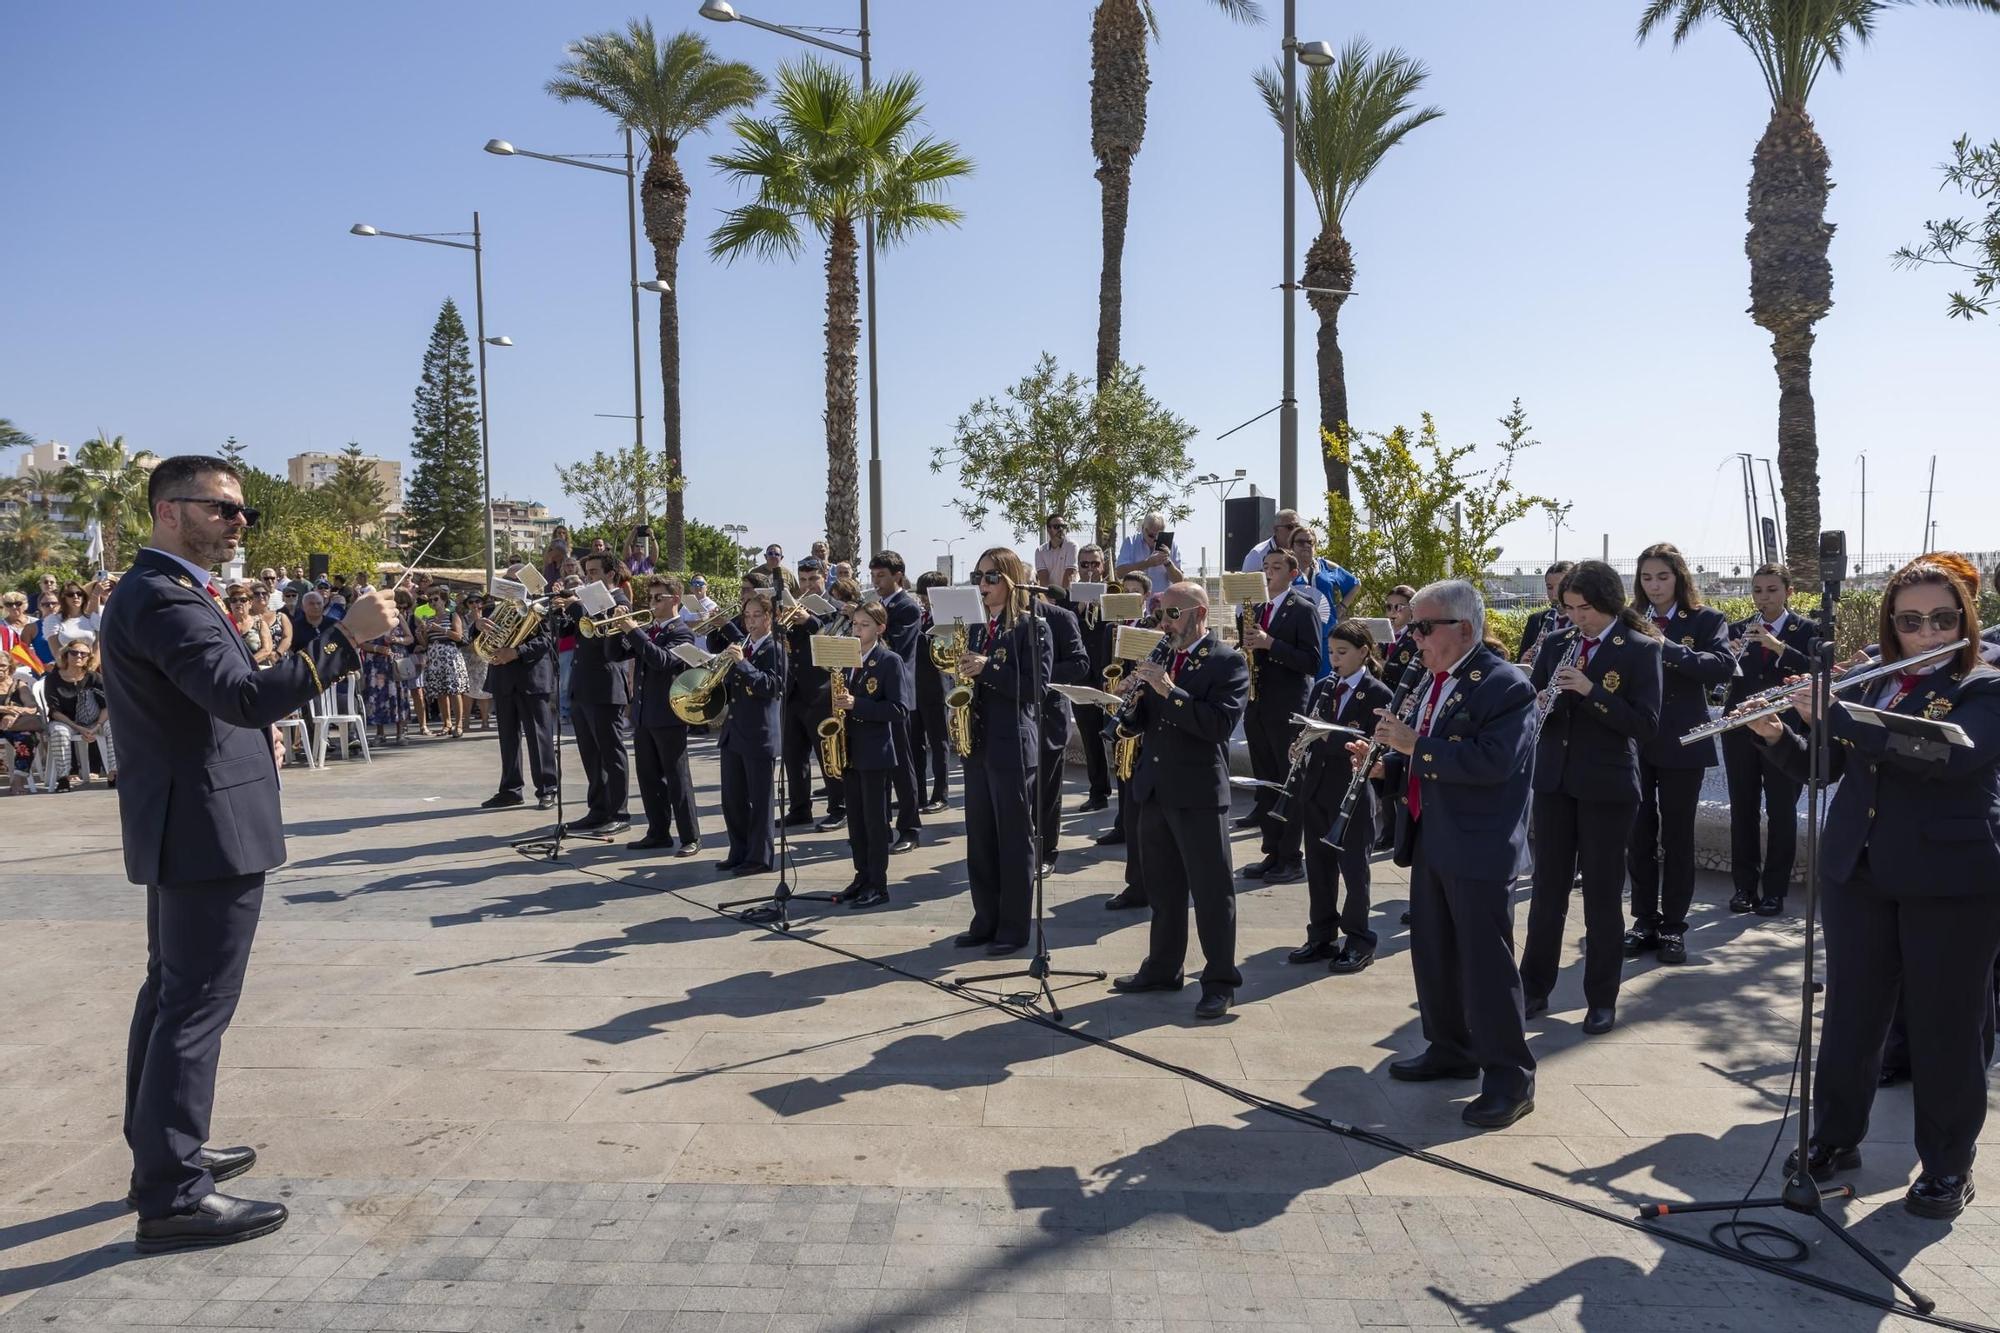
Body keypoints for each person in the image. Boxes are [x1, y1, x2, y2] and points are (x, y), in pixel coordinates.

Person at [103, 454, 399, 1250]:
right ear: (170, 511)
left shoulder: (164, 590)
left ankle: (162, 1154)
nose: (240, 523)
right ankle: (171, 1192)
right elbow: (241, 694)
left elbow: (214, 699)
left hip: (193, 822)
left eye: (244, 512)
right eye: (223, 509)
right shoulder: (164, 597)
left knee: (171, 994)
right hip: (203, 829)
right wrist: (344, 638)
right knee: (193, 1005)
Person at [1746, 559, 1999, 1219]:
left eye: (1942, 619)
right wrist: (1781, 732)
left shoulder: (1982, 684)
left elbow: (1952, 757)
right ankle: (1834, 1136)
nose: (1926, 631)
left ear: (1964, 620)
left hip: (1950, 882)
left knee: (1946, 1024)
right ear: (1892, 623)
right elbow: (1827, 767)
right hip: (1859, 872)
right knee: (1853, 1016)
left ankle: (1948, 1164)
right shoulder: (1874, 681)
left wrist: (1842, 713)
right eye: (1911, 619)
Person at [1367, 579, 1537, 1127]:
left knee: (1486, 965)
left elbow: (1492, 762)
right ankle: (1451, 1046)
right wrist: (1386, 765)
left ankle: (1511, 1077)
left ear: (1463, 628)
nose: (1412, 638)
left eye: (1422, 626)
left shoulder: (1506, 685)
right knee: (1434, 951)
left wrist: (1413, 748)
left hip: (1479, 843)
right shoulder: (1436, 680)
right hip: (1433, 834)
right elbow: (1427, 757)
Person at [1519, 560, 1663, 1036]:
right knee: (1547, 893)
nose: (1577, 618)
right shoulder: (1558, 643)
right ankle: (1533, 988)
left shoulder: (1640, 649)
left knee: (1602, 899)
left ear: (1609, 604)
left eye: (1585, 609)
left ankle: (1601, 999)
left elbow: (1644, 725)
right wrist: (1541, 700)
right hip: (1555, 783)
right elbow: (1537, 698)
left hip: (1607, 788)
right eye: (1570, 608)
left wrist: (1591, 691)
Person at [1109, 581, 1249, 1019]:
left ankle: (1220, 981)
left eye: (1172, 614)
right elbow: (1143, 720)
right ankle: (1163, 967)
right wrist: (1127, 704)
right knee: (1163, 889)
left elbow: (1217, 726)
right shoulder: (1163, 655)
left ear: (1199, 613)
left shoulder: (1228, 662)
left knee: (1211, 892)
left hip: (1198, 792)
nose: (1163, 623)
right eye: (1160, 614)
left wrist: (1170, 690)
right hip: (1154, 787)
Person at [1624, 543, 1732, 965]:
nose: (1654, 586)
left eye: (1663, 577)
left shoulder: (1706, 619)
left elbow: (1720, 666)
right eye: (1647, 578)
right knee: (1639, 834)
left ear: (1680, 578)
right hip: (1636, 741)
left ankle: (1673, 926)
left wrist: (1665, 646)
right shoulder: (1628, 618)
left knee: (1677, 836)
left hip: (1684, 741)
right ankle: (1644, 919)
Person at [955, 548, 1051, 954]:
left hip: (1011, 743)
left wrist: (987, 669)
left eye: (992, 577)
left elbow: (1036, 689)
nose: (983, 584)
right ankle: (986, 919)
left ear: (1011, 579)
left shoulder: (1032, 627)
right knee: (979, 837)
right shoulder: (978, 627)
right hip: (977, 742)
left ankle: (1013, 928)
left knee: (1014, 840)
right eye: (979, 576)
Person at [1290, 620, 1395, 973]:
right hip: (1316, 788)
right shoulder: (1323, 685)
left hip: (1350, 790)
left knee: (1354, 870)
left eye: (1342, 653)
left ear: (1363, 652)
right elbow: (1310, 726)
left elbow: (1371, 742)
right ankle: (1321, 935)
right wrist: (1302, 744)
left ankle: (1359, 940)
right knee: (1318, 868)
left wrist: (1324, 737)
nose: (1334, 660)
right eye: (1332, 652)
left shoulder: (1378, 692)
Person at [1722, 564, 1818, 916]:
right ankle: (1743, 888)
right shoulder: (1736, 629)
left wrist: (1778, 647)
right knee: (1743, 810)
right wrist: (1727, 657)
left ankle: (1774, 891)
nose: (1764, 597)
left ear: (1788, 592)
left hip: (1786, 732)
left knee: (1781, 812)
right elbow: (1720, 677)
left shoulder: (1806, 629)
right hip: (1741, 731)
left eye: (1772, 590)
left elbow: (1819, 670)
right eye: (1758, 590)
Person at [1235, 549, 1324, 884]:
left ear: (1293, 572)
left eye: (1275, 567)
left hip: (1288, 705)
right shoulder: (1256, 609)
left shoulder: (1303, 608)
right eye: (1265, 567)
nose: (1268, 573)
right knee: (1266, 782)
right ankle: (1271, 851)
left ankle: (1291, 857)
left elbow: (1312, 662)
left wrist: (1270, 643)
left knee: (1289, 783)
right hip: (1258, 704)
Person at [832, 601, 907, 908]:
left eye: (864, 625)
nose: (857, 629)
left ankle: (878, 883)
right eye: (855, 624)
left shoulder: (889, 661)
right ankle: (861, 875)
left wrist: (856, 705)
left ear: (880, 628)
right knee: (856, 821)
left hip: (875, 752)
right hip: (848, 749)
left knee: (876, 822)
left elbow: (899, 710)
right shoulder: (845, 658)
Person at [620, 577, 702, 854]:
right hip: (644, 713)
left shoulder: (682, 633)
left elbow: (662, 661)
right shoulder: (648, 630)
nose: (652, 603)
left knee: (677, 777)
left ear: (674, 599)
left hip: (669, 715)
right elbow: (613, 653)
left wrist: (633, 631)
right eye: (650, 598)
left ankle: (690, 836)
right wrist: (614, 629)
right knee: (648, 777)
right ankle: (658, 832)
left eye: (658, 598)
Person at [559, 553, 635, 835]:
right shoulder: (583, 601)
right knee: (590, 753)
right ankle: (598, 809)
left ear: (611, 574)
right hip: (582, 686)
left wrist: (578, 604)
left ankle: (620, 813)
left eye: (593, 572)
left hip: (606, 686)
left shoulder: (620, 602)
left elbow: (609, 634)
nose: (589, 577)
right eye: (587, 572)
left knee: (611, 753)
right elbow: (568, 634)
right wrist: (561, 610)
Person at [716, 591, 785, 874]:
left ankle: (760, 857)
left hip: (758, 733)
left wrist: (742, 663)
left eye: (758, 616)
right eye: (747, 616)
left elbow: (772, 686)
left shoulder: (776, 648)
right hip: (734, 730)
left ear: (770, 618)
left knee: (760, 800)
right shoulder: (744, 644)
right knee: (732, 799)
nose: (751, 621)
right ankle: (739, 850)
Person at [480, 573, 558, 812]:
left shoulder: (541, 607)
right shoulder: (492, 608)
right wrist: (477, 626)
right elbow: (479, 640)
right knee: (507, 737)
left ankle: (547, 789)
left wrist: (517, 652)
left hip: (531, 678)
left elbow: (547, 640)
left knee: (539, 736)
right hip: (502, 678)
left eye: (514, 582)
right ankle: (511, 790)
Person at [869, 551, 925, 852]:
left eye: (881, 576)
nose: (876, 582)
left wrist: (872, 621)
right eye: (873, 576)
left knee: (903, 766)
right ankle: (879, 827)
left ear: (898, 576)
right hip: (871, 696)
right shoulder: (879, 607)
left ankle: (910, 828)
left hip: (898, 696)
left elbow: (898, 649)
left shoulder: (907, 607)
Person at [1032, 586, 1090, 872]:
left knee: (1046, 792)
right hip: (1005, 721)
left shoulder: (1060, 617)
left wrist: (1036, 674)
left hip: (1047, 718)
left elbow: (1080, 664)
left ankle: (1045, 852)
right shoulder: (992, 618)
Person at [779, 559, 832, 828]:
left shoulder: (835, 605)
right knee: (794, 754)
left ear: (824, 577)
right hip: (794, 691)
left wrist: (810, 621)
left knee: (828, 754)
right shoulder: (794, 605)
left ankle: (838, 806)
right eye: (804, 580)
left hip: (822, 691)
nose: (809, 585)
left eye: (813, 579)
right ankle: (800, 808)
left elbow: (836, 637)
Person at [1070, 546, 1115, 813]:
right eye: (1084, 565)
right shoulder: (1070, 597)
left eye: (1094, 564)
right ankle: (1098, 791)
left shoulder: (1114, 592)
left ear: (1103, 566)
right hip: (1084, 676)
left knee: (1120, 734)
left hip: (1111, 673)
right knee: (1089, 735)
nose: (1090, 570)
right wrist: (1079, 609)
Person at [1288, 527, 1359, 675]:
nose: (1306, 546)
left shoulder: (1326, 566)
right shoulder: (1286, 569)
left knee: (1326, 682)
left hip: (1326, 637)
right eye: (1301, 542)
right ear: (1291, 546)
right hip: (1296, 637)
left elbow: (1355, 584)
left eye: (1310, 542)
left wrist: (1342, 607)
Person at [46, 635, 113, 789]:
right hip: (65, 721)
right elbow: (55, 712)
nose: (79, 656)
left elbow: (106, 706)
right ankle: (64, 777)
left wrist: (96, 726)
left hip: (95, 721)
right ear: (66, 655)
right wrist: (79, 728)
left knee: (113, 726)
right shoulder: (53, 679)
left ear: (88, 658)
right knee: (59, 731)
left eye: (84, 654)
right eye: (74, 652)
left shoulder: (95, 677)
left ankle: (113, 773)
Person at [911, 570, 953, 813]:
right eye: (922, 595)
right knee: (915, 743)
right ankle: (918, 792)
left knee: (939, 744)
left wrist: (913, 635)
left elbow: (941, 648)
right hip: (916, 686)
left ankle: (941, 794)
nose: (924, 599)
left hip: (936, 687)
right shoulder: (922, 615)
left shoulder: (947, 616)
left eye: (927, 594)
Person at [360, 588, 415, 748]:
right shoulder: (368, 620)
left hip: (395, 662)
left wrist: (396, 639)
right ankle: (380, 733)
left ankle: (401, 732)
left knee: (399, 696)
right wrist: (378, 649)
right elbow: (361, 642)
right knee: (377, 698)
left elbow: (410, 638)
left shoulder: (397, 616)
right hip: (376, 665)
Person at [417, 586, 470, 739]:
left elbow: (459, 637)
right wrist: (421, 634)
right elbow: (426, 643)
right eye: (430, 600)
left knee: (454, 691)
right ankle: (447, 724)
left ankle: (459, 724)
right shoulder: (429, 619)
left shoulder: (452, 615)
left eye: (436, 599)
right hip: (434, 656)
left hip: (450, 655)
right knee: (440, 692)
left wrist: (441, 629)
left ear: (444, 600)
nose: (433, 602)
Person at [1113, 512, 1183, 603]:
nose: (1154, 540)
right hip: (1135, 603)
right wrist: (1148, 563)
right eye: (1151, 535)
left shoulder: (1172, 545)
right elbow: (1120, 572)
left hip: (1161, 605)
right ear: (1143, 529)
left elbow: (1179, 581)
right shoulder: (1130, 542)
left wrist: (1167, 562)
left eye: (1158, 536)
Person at [1517, 562, 1575, 665]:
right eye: (1550, 587)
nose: (1555, 595)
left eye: (1561, 587)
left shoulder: (1584, 623)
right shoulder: (1536, 620)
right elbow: (1520, 661)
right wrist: (1523, 663)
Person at [460, 591, 494, 732]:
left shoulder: (489, 618)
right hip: (468, 657)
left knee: (484, 692)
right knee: (467, 692)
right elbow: (462, 637)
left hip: (484, 658)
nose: (474, 604)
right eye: (471, 602)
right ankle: (466, 721)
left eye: (477, 601)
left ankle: (485, 722)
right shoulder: (464, 619)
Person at [1240, 508, 1302, 573]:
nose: (1295, 531)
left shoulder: (1302, 549)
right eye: (1290, 527)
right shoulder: (1258, 554)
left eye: (1297, 527)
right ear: (1275, 530)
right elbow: (1246, 581)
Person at [1034, 515, 1079, 590]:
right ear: (1048, 529)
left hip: (1069, 593)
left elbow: (1070, 573)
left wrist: (1063, 597)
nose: (1061, 529)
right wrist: (1049, 596)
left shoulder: (1072, 546)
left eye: (1063, 526)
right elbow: (1043, 578)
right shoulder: (1040, 551)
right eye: (1057, 527)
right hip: (1051, 595)